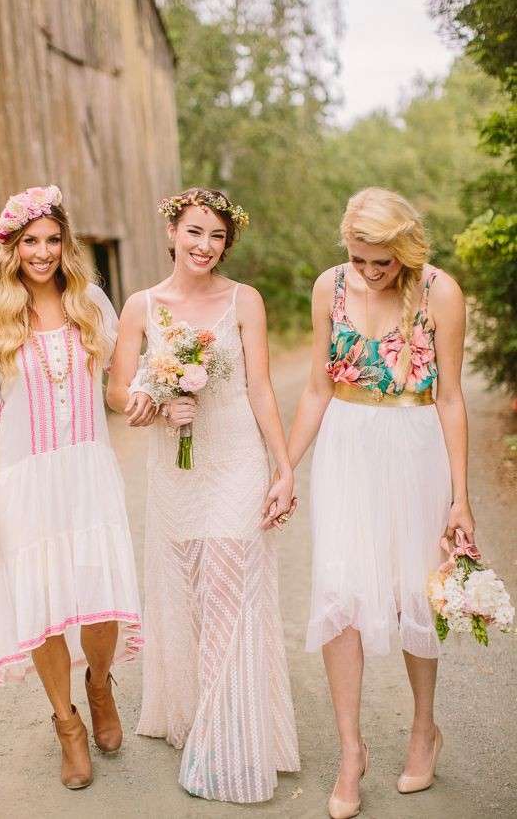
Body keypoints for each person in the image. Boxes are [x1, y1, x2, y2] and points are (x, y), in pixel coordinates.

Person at [287, 187, 475, 819]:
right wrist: (286, 467)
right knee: (340, 590)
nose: (369, 272)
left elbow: (451, 397)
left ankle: (424, 729)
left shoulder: (440, 293)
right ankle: (351, 751)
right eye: (359, 259)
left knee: (415, 590)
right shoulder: (329, 287)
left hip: (415, 445)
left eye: (383, 262)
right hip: (346, 448)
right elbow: (318, 388)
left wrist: (461, 498)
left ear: (405, 249)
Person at [107, 187, 300, 802]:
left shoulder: (245, 300)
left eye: (217, 236)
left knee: (228, 585)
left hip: (237, 458)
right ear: (173, 232)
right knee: (189, 590)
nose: (205, 245)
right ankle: (194, 710)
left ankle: (227, 740)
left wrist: (283, 468)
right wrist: (155, 402)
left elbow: (260, 387)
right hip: (175, 468)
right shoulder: (142, 305)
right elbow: (117, 390)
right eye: (195, 231)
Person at [0, 185, 142, 790]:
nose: (42, 252)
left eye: (53, 240)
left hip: (88, 472)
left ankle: (99, 686)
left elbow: (126, 377)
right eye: (31, 241)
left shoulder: (91, 303)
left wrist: (167, 385)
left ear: (66, 245)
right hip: (26, 483)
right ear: (12, 248)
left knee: (100, 594)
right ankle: (67, 724)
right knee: (43, 606)